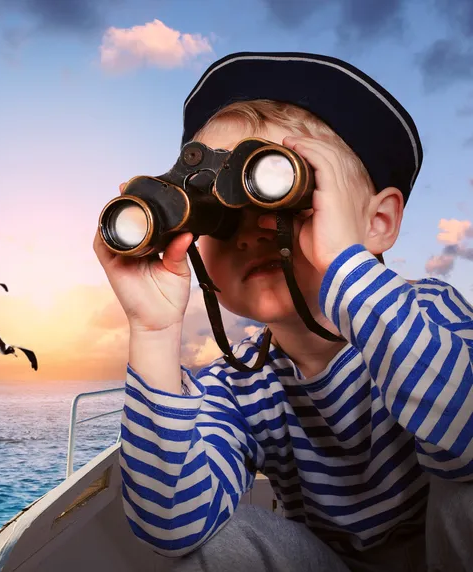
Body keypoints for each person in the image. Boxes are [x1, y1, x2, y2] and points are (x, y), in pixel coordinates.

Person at [93, 51, 473, 572]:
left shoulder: (428, 313)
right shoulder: (240, 385)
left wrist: (345, 264)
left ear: (378, 220)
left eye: (290, 195)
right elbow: (173, 524)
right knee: (218, 546)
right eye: (219, 214)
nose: (252, 230)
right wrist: (153, 331)